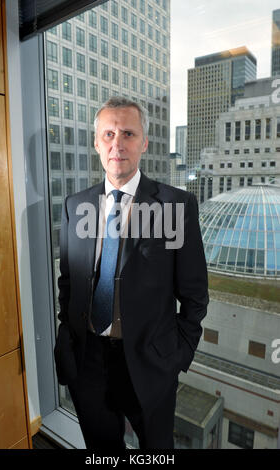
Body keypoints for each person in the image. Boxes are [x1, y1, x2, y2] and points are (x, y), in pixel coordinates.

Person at [54, 96, 209, 450]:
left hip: (150, 364)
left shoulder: (176, 206)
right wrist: (68, 337)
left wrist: (177, 356)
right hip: (87, 362)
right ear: (96, 143)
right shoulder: (75, 206)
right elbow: (69, 282)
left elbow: (195, 295)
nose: (117, 143)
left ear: (144, 143)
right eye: (108, 134)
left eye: (127, 133)